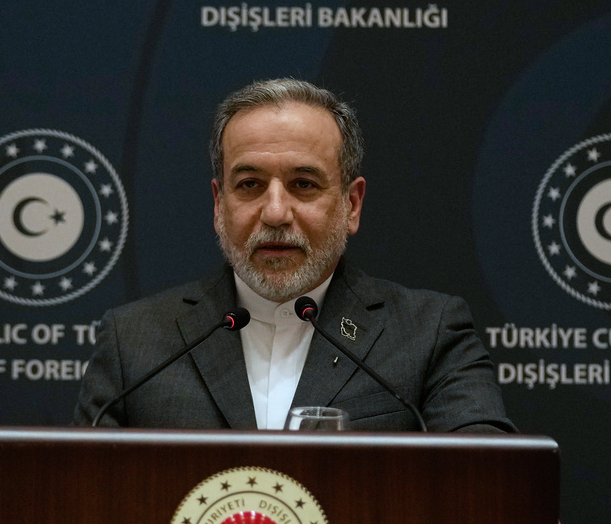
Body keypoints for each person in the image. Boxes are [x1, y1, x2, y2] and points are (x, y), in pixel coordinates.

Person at [74, 77, 514, 432]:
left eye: (304, 184)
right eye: (249, 185)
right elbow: (78, 498)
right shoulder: (134, 342)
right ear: (217, 204)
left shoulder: (428, 333)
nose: (276, 212)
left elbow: (488, 478)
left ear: (351, 205)